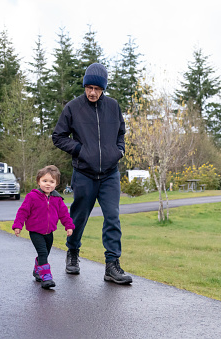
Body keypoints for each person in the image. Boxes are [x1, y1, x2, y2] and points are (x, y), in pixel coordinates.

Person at [52, 62, 132, 284]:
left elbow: (121, 133)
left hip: (109, 174)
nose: (92, 92)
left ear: (103, 89)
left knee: (113, 218)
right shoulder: (73, 108)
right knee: (78, 218)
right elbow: (58, 136)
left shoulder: (113, 107)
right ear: (85, 86)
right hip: (84, 174)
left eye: (97, 89)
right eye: (89, 88)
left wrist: (119, 151)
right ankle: (73, 253)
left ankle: (112, 265)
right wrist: (79, 150)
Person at [12, 165, 75, 289]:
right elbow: (23, 211)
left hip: (49, 232)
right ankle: (46, 278)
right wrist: (18, 225)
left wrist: (69, 226)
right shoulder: (32, 197)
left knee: (45, 254)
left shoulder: (57, 199)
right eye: (44, 181)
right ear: (38, 181)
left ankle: (37, 270)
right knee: (42, 253)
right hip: (35, 232)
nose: (48, 184)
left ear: (56, 184)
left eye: (51, 182)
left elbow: (64, 214)